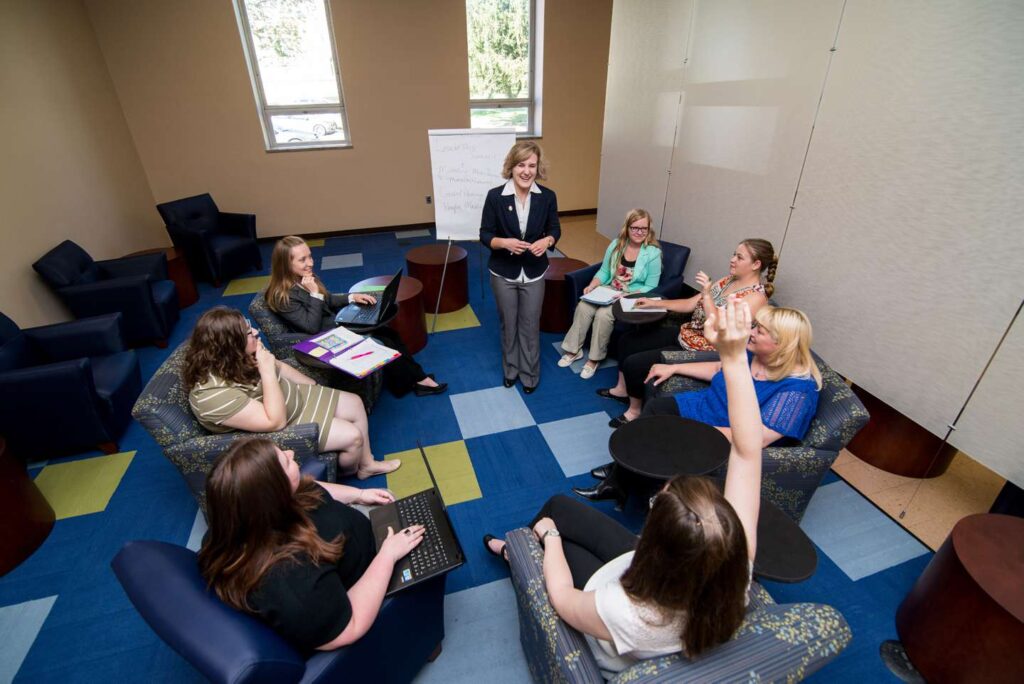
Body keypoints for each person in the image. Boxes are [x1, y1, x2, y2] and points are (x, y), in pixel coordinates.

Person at [483, 297, 766, 677]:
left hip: (605, 618)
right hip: (644, 575)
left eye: (659, 500)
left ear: (655, 539)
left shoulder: (630, 614)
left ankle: (515, 555)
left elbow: (565, 601)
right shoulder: (736, 563)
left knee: (551, 534)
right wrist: (733, 360)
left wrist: (549, 540)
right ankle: (530, 542)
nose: (660, 490)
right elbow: (748, 455)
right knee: (559, 505)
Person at [198, 438, 424, 653]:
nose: (291, 453)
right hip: (369, 571)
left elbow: (308, 485)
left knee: (391, 501)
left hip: (351, 534)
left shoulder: (240, 518)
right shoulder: (293, 582)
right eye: (286, 462)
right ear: (274, 494)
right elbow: (349, 628)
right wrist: (388, 555)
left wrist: (359, 495)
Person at [576, 304, 821, 502]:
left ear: (781, 344)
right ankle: (620, 479)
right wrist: (675, 367)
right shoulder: (751, 352)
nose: (752, 333)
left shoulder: (798, 391)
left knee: (667, 436)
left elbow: (760, 438)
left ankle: (625, 480)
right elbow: (718, 367)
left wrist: (700, 433)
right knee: (654, 410)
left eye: (761, 331)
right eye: (755, 326)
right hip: (703, 406)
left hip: (725, 431)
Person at [184, 306, 399, 479]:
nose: (256, 333)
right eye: (248, 333)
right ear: (229, 345)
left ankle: (367, 465)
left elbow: (279, 366)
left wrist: (313, 386)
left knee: (354, 402)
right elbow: (274, 422)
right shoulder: (211, 395)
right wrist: (266, 370)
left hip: (294, 397)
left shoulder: (235, 356)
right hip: (283, 424)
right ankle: (348, 472)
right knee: (353, 438)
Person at [597, 239, 777, 426]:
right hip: (686, 334)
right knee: (628, 340)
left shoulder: (755, 298)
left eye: (739, 257)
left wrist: (707, 295)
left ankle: (634, 411)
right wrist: (655, 303)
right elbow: (691, 303)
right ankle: (622, 390)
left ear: (756, 264)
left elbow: (716, 327)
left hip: (704, 350)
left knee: (635, 364)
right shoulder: (727, 280)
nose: (732, 259)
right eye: (734, 254)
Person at [265, 236, 446, 397]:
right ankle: (418, 380)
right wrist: (314, 294)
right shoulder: (281, 296)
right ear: (285, 265)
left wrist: (351, 297)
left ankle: (414, 380)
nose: (310, 263)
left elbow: (327, 299)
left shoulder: (304, 278)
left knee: (389, 333)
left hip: (335, 324)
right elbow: (310, 326)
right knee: (384, 339)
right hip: (323, 338)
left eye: (310, 256)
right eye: (302, 259)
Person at [480, 140, 561, 393]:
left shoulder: (547, 197)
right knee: (509, 324)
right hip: (503, 272)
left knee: (530, 325)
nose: (526, 171)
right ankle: (511, 370)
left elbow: (555, 229)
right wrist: (504, 242)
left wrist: (547, 241)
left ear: (538, 168)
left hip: (534, 272)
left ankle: (530, 375)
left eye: (532, 165)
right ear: (511, 167)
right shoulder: (495, 196)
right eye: (521, 165)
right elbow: (485, 234)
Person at [558, 209, 662, 379]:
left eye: (644, 228)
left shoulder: (653, 253)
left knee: (604, 314)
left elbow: (651, 286)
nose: (639, 232)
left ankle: (594, 358)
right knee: (584, 306)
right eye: (635, 227)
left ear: (649, 230)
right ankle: (573, 350)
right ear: (627, 228)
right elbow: (605, 271)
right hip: (609, 290)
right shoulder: (616, 245)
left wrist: (626, 296)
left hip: (631, 295)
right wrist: (593, 285)